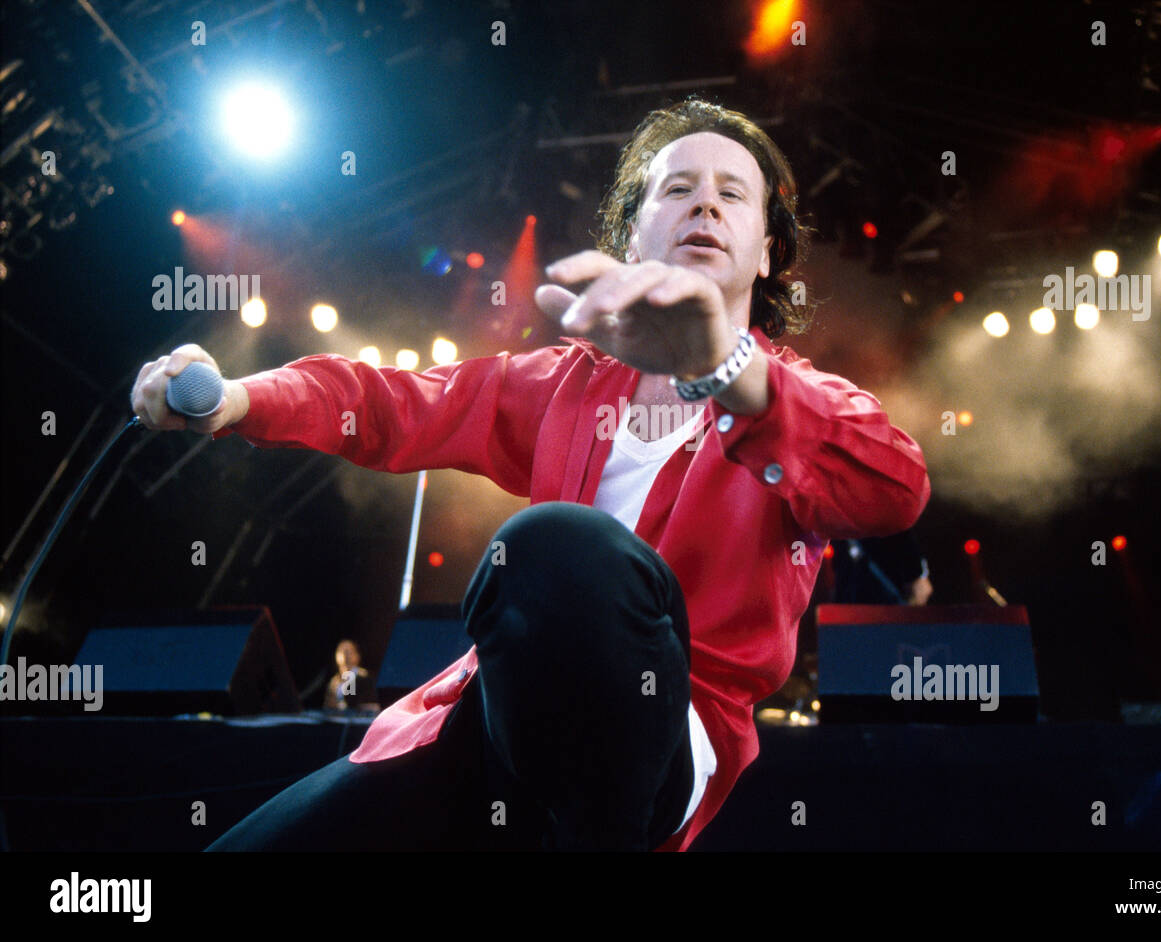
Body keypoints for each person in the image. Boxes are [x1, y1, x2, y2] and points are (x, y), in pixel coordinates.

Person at [130, 98, 930, 851]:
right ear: (630, 238)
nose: (706, 206)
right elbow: (395, 404)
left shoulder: (807, 400)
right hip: (486, 724)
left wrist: (728, 366)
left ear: (766, 254)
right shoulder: (566, 385)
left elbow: (895, 490)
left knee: (555, 545)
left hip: (657, 744)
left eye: (733, 195)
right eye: (678, 188)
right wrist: (238, 398)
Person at [323, 639, 379, 712]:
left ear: (357, 655)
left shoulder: (365, 677)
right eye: (342, 651)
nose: (346, 655)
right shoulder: (334, 681)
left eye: (349, 652)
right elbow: (327, 704)